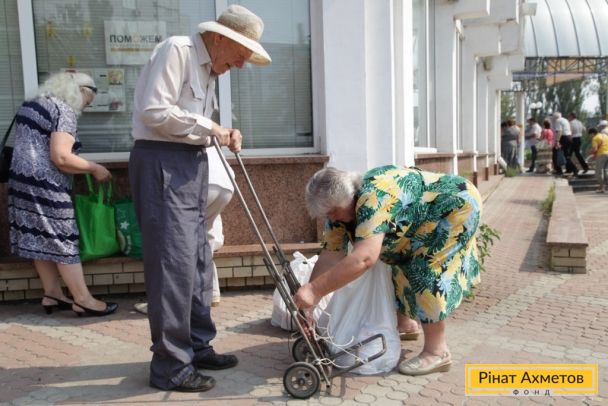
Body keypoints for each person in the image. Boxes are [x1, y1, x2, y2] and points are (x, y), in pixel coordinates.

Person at [128, 5, 271, 392]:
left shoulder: (209, 67)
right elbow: (154, 111)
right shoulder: (178, 50)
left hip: (191, 163)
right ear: (220, 39)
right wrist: (211, 127)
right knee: (172, 266)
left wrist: (221, 132)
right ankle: (170, 367)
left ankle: (196, 346)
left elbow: (193, 125)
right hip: (161, 162)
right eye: (240, 54)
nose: (241, 64)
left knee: (197, 260)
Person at [294, 165, 482, 376]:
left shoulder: (374, 197)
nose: (332, 218)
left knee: (425, 269)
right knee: (397, 260)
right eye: (326, 214)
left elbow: (365, 258)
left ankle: (437, 351)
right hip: (421, 217)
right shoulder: (338, 211)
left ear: (348, 197)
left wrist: (315, 290)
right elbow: (330, 256)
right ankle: (406, 325)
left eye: (333, 212)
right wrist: (310, 304)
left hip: (455, 207)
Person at [7, 71, 118, 317]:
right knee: (63, 238)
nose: (85, 107)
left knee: (38, 237)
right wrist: (94, 168)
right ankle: (83, 300)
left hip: (21, 182)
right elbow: (61, 157)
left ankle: (53, 293)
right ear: (81, 91)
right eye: (87, 102)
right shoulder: (63, 110)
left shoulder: (32, 103)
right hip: (46, 185)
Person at [552, 111, 577, 176]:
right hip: (568, 138)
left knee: (556, 154)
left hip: (563, 138)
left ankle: (559, 170)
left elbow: (559, 131)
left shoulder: (557, 121)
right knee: (566, 155)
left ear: (555, 117)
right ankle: (572, 169)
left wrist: (557, 141)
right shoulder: (565, 120)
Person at [589, 127, 608, 193]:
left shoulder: (595, 138)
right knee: (606, 171)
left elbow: (595, 149)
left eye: (590, 135)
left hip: (601, 155)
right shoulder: (605, 136)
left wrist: (589, 152)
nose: (590, 136)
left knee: (598, 172)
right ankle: (606, 187)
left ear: (592, 133)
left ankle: (602, 188)